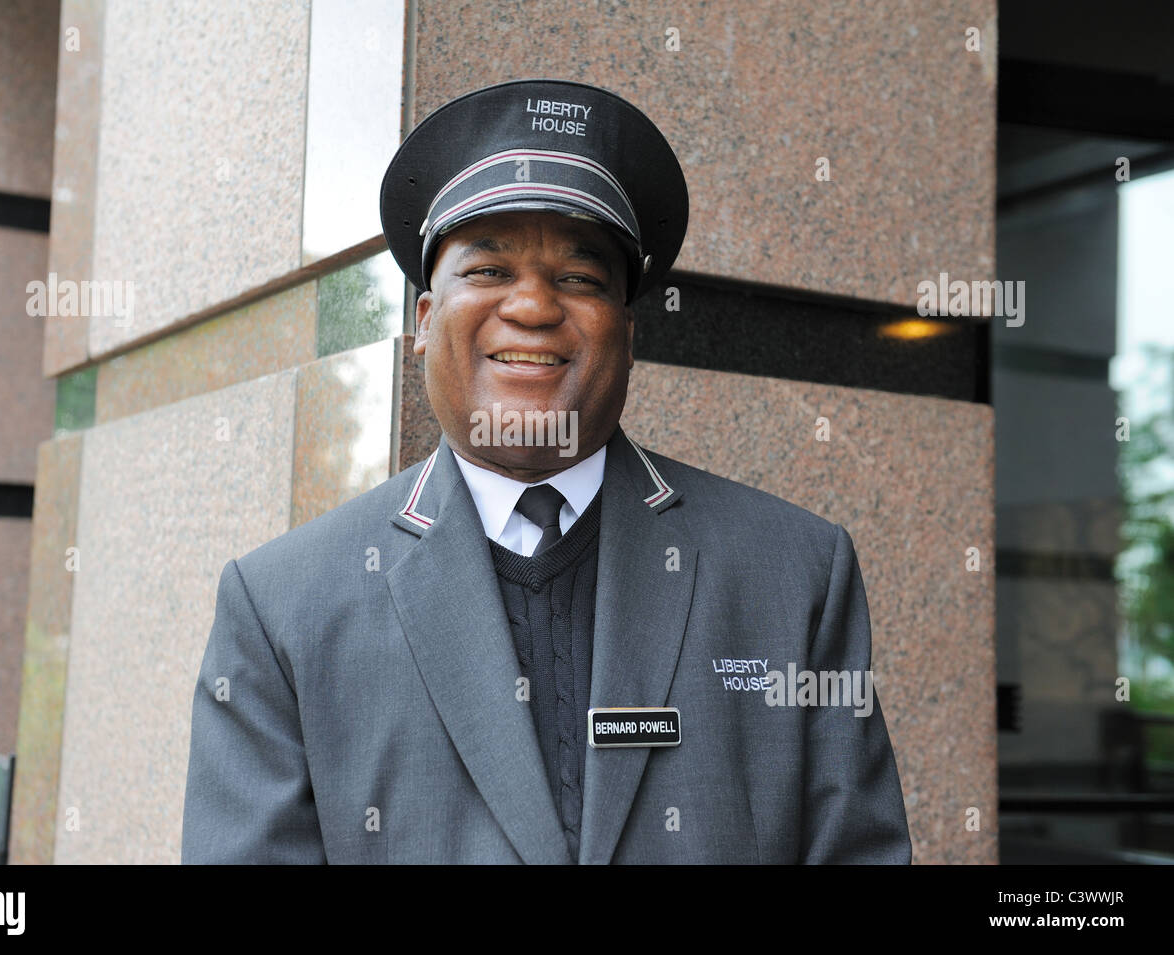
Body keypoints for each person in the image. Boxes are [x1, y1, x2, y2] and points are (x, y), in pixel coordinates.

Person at [181, 78, 911, 864]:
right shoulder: (283, 606)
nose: (532, 307)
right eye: (489, 271)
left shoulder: (794, 574)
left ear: (628, 334)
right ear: (425, 322)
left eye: (579, 277)